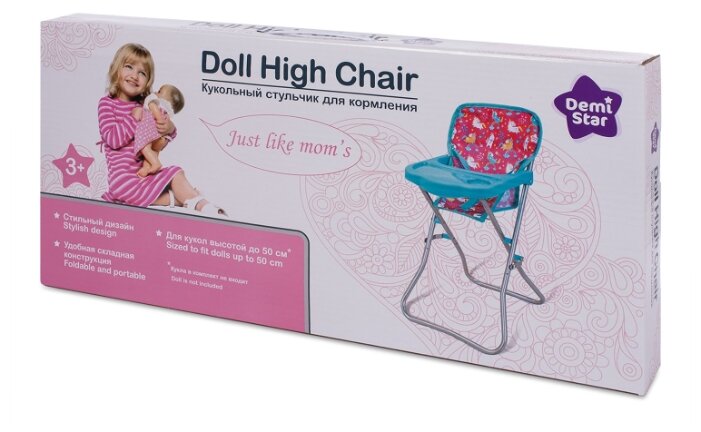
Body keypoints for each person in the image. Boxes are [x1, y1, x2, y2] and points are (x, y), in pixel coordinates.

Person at [97, 43, 227, 216]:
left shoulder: (146, 106)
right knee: (175, 186)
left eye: (142, 73)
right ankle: (189, 198)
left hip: (143, 175)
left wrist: (170, 127)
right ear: (116, 69)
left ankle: (203, 206)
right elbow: (113, 140)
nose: (135, 76)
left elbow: (161, 138)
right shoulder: (107, 104)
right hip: (123, 181)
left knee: (176, 172)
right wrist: (134, 117)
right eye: (129, 67)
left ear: (147, 82)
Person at [132, 84, 185, 177]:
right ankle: (146, 168)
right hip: (162, 136)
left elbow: (153, 108)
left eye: (159, 91)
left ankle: (155, 162)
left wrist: (159, 119)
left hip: (150, 128)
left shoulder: (154, 101)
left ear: (167, 100)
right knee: (153, 151)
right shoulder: (168, 112)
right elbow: (171, 129)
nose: (156, 92)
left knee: (144, 146)